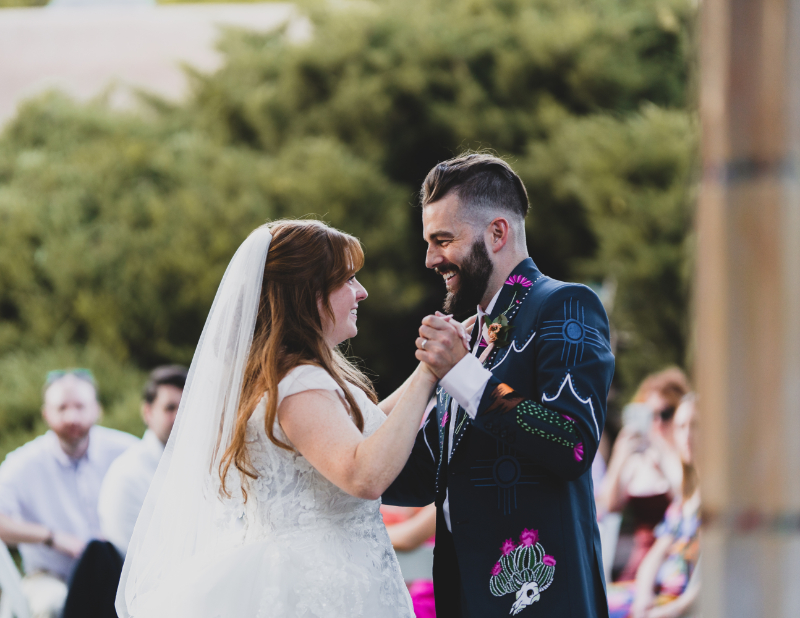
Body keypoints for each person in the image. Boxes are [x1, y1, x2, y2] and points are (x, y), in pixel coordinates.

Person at [117, 220, 443, 618]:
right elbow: (364, 476)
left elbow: (369, 426)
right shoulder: (298, 383)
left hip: (333, 571)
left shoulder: (289, 377)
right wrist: (428, 374)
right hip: (319, 586)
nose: (362, 292)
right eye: (349, 279)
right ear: (308, 294)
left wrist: (431, 371)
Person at [384, 153, 616, 617]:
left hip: (542, 598)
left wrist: (464, 375)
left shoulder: (565, 306)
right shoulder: (470, 339)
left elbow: (571, 442)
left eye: (443, 240)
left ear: (497, 232)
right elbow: (426, 471)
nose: (431, 258)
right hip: (465, 597)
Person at [0, 370, 137, 618]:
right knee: (52, 605)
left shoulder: (126, 451)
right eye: (62, 408)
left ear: (97, 409)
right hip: (51, 576)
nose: (72, 416)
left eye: (80, 406)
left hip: (123, 571)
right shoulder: (22, 464)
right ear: (46, 414)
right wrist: (51, 537)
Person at [607, 395, 701, 618]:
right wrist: (643, 598)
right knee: (589, 600)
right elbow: (655, 555)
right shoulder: (686, 500)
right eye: (681, 427)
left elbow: (711, 580)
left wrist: (666, 613)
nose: (687, 435)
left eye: (695, 425)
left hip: (679, 603)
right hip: (656, 591)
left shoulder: (716, 500)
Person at [598, 368, 690, 580]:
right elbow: (608, 506)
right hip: (639, 564)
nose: (657, 422)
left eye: (665, 414)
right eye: (650, 415)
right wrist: (620, 457)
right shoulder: (637, 460)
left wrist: (663, 458)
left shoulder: (686, 457)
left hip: (676, 562)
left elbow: (686, 501)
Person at [98, 365, 188, 555]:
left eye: (186, 407)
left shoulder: (201, 463)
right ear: (148, 413)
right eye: (170, 408)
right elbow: (129, 552)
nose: (180, 417)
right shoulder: (127, 474)